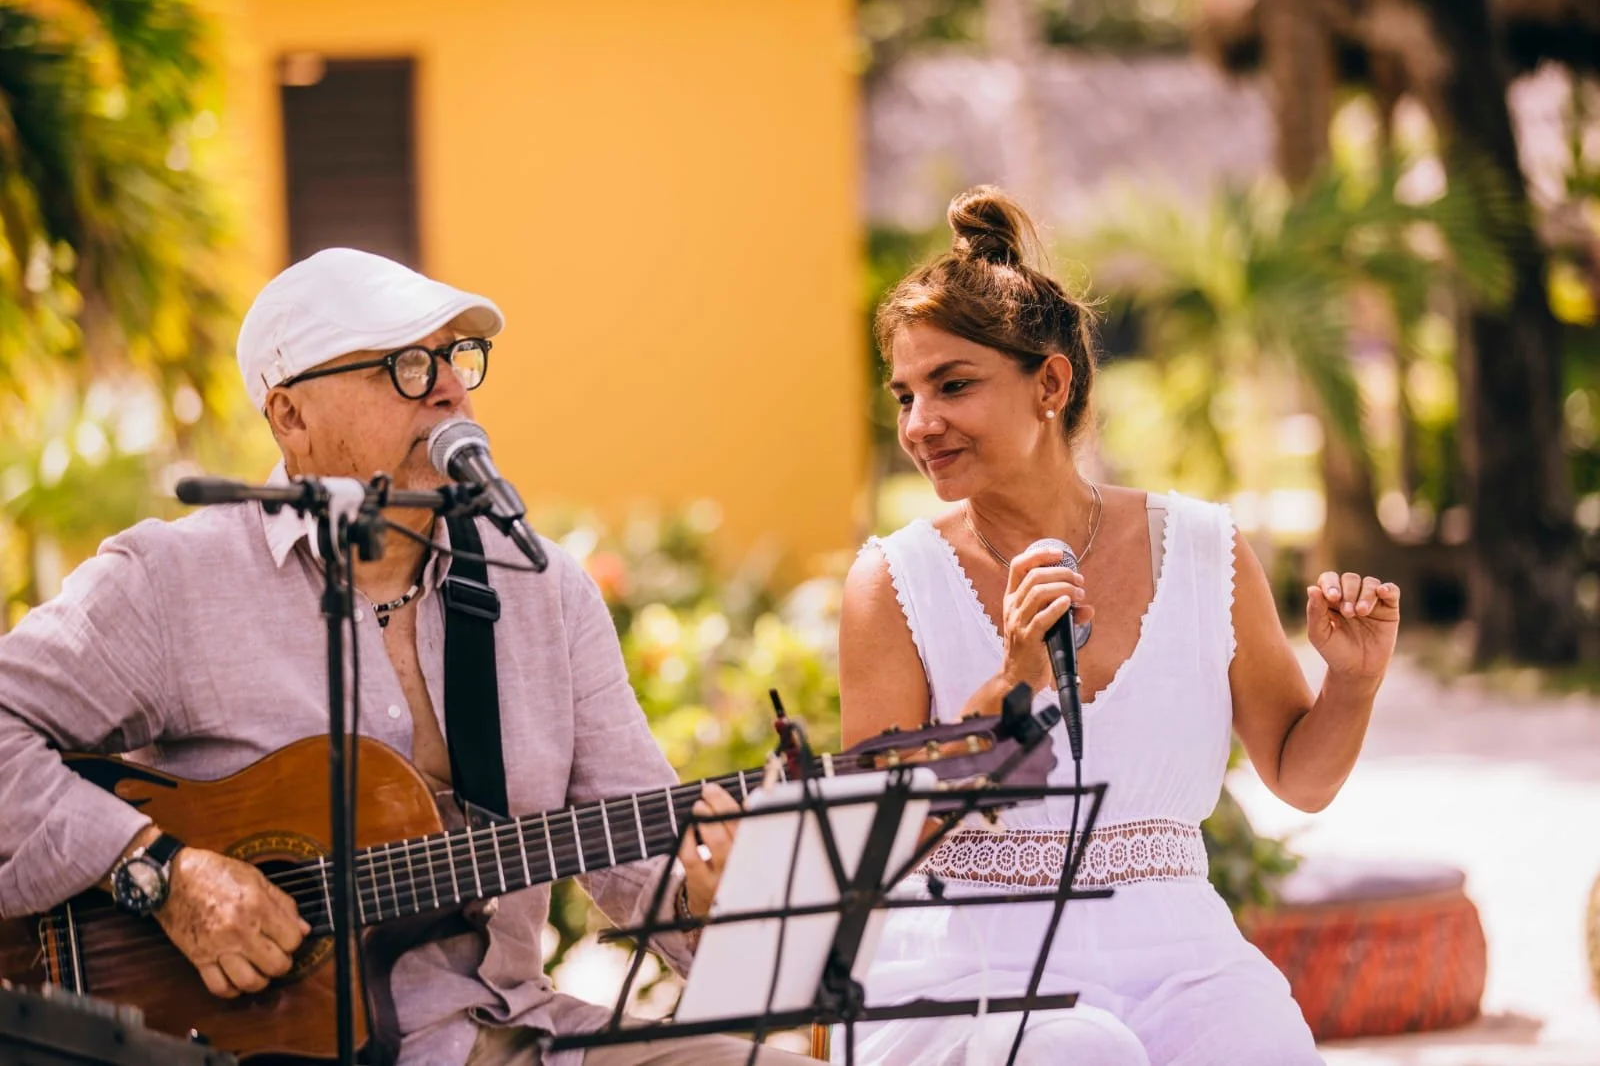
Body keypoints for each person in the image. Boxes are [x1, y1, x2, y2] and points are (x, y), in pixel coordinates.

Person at [0, 248, 810, 1066]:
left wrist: (706, 896)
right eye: (407, 365)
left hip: (521, 1036)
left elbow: (642, 852)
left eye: (457, 356)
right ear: (290, 417)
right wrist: (161, 875)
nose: (450, 386)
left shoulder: (543, 589)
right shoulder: (173, 583)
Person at [837, 187, 1401, 1066]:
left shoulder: (1206, 548)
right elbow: (874, 836)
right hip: (968, 967)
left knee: (1266, 1046)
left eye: (953, 385)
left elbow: (1300, 775)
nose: (920, 423)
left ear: (1050, 383)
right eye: (905, 394)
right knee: (1079, 1051)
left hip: (1181, 957)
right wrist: (1011, 685)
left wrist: (1354, 682)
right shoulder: (892, 580)